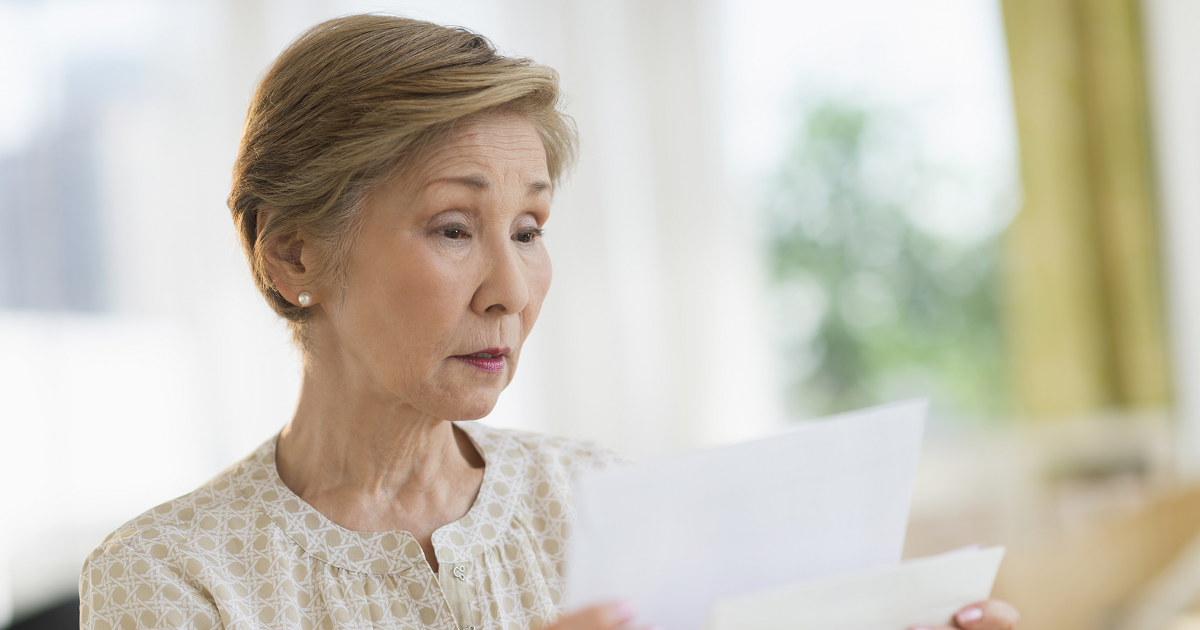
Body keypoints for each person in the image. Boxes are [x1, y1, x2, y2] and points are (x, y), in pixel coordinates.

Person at [79, 14, 1020, 630]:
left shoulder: (598, 502)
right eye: (454, 228)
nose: (511, 289)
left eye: (529, 229)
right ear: (293, 256)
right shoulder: (170, 579)